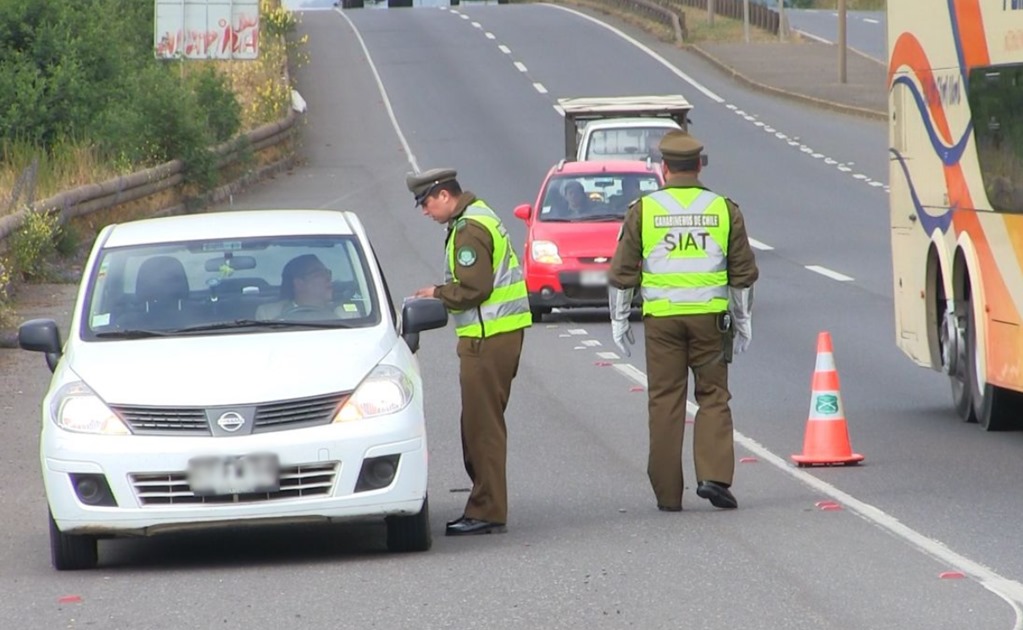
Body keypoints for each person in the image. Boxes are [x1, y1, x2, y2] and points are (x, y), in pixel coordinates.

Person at [606, 131, 759, 512]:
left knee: (665, 402)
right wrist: (743, 321)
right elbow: (741, 274)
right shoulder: (724, 209)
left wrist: (619, 320)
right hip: (711, 319)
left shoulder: (645, 209)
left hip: (663, 322)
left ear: (664, 168)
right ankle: (713, 477)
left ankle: (667, 493)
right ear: (699, 166)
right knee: (713, 396)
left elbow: (624, 272)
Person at [407, 168, 532, 536]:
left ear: (444, 195)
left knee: (482, 429)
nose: (424, 211)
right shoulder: (478, 216)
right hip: (496, 335)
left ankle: (488, 510)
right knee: (477, 426)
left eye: (426, 202)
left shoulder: (469, 229)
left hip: (487, 338)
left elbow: (474, 288)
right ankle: (485, 502)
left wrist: (437, 293)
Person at [255, 254, 357, 320]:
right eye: (319, 274)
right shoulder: (268, 314)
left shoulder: (346, 315)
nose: (328, 278)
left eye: (328, 273)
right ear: (299, 283)